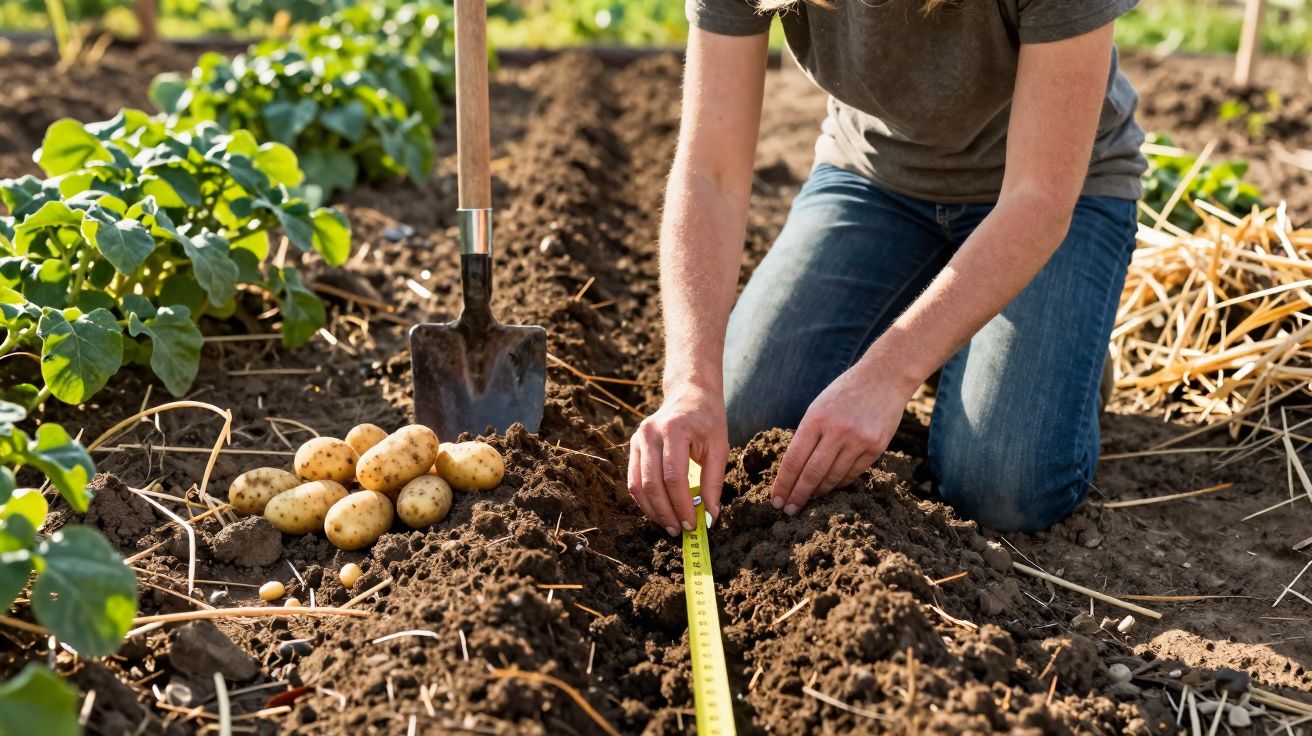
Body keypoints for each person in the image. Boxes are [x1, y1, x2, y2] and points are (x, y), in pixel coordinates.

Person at [626, 0, 1146, 535]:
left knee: (999, 486)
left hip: (1049, 193)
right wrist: (691, 382)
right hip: (876, 182)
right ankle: (958, 326)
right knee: (752, 420)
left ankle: (1052, 350)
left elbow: (1038, 198)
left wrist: (888, 374)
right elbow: (710, 172)